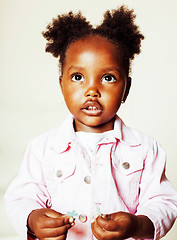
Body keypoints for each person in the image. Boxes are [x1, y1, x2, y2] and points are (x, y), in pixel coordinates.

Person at [4, 6, 177, 240]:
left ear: (126, 88)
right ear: (61, 85)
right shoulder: (42, 149)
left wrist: (137, 224)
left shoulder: (146, 149)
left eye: (108, 78)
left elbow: (163, 202)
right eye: (78, 77)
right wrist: (33, 219)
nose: (92, 91)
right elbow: (21, 197)